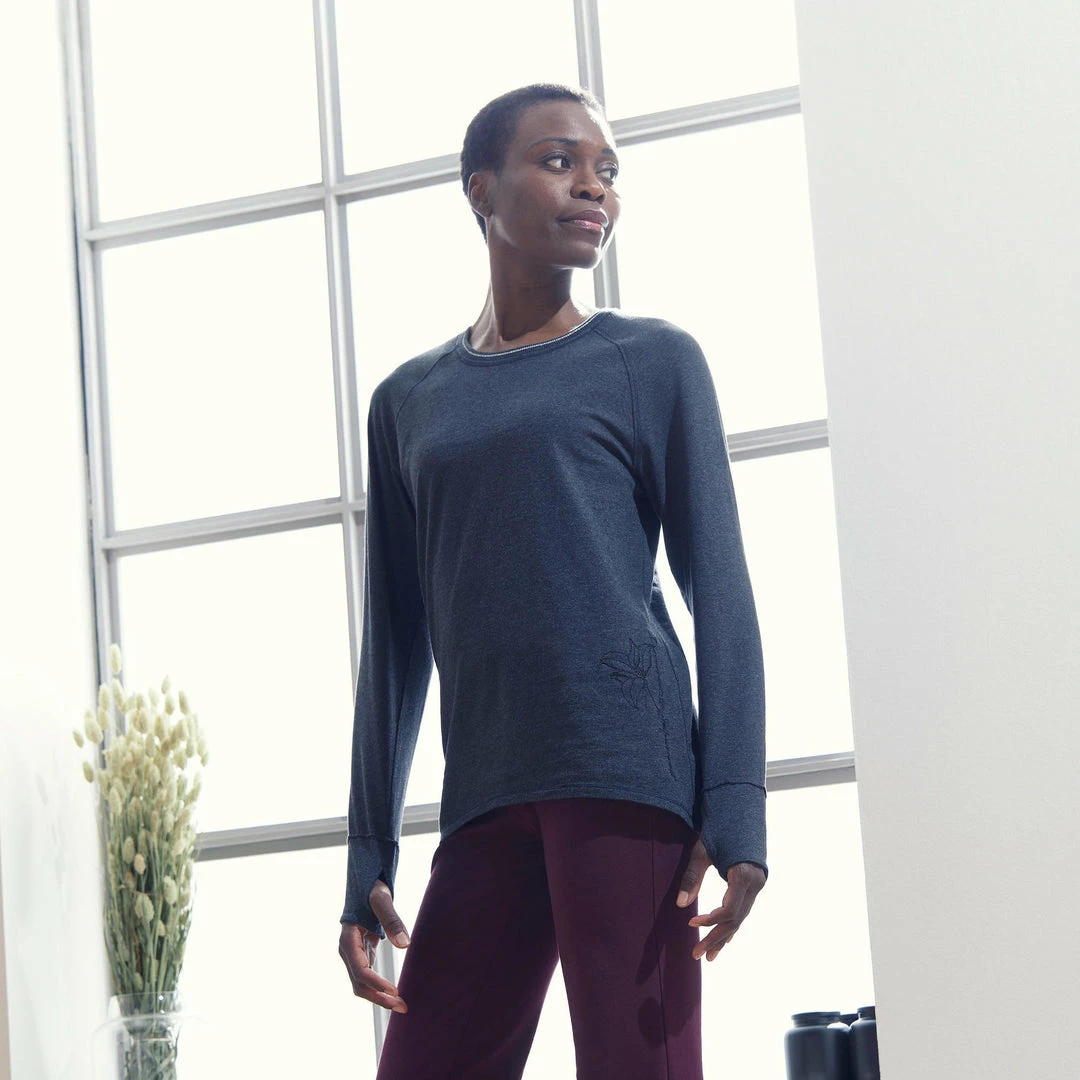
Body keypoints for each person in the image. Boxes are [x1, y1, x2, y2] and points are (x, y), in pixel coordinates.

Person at [337, 81, 768, 1079]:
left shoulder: (651, 360)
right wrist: (369, 854)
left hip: (626, 772)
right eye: (560, 160)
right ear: (481, 189)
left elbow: (722, 592)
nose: (594, 187)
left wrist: (736, 805)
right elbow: (395, 641)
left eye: (608, 170)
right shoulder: (408, 401)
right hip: (485, 789)